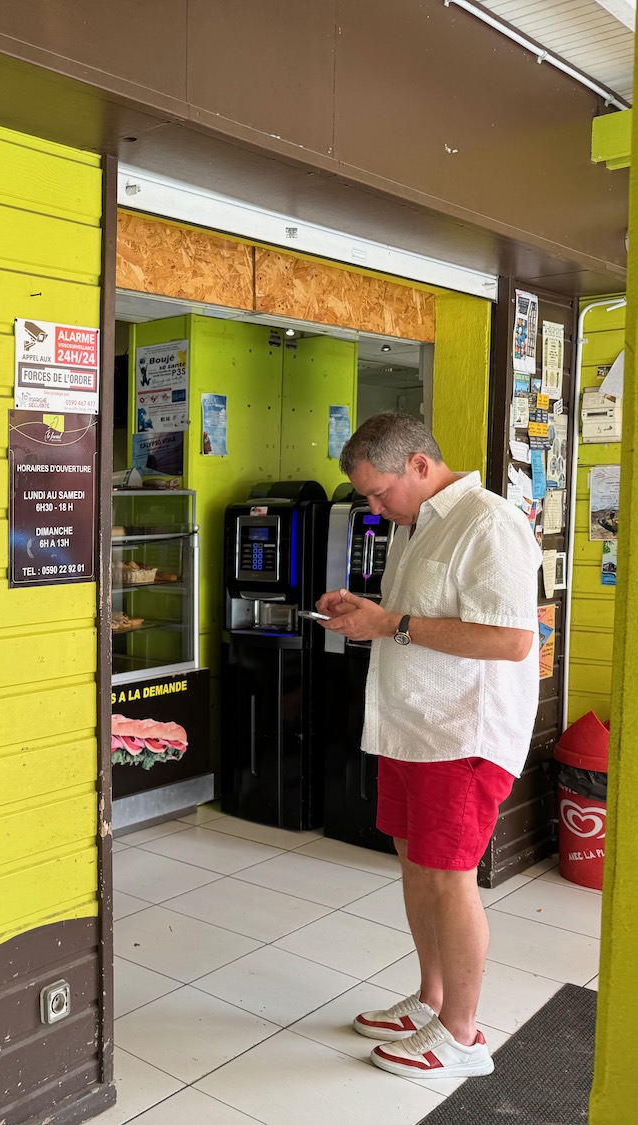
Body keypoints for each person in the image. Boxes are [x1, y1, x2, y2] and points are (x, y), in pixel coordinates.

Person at [314, 412, 540, 1079]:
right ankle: (432, 1001)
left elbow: (511, 639)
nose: (374, 508)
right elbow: (413, 623)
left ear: (418, 464)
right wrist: (369, 618)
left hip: (460, 735)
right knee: (416, 865)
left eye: (379, 492)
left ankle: (463, 1035)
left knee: (449, 876)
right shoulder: (415, 528)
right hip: (410, 731)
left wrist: (396, 624)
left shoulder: (488, 523)